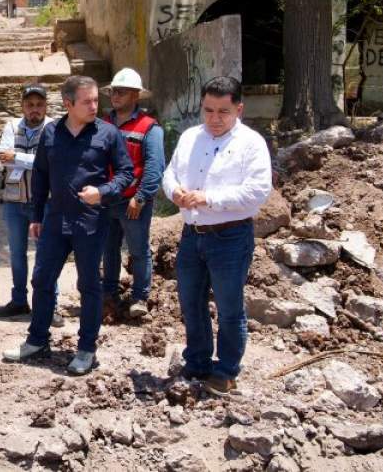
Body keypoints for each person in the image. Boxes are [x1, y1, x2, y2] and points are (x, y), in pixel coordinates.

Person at [1, 76, 134, 376]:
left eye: (96, 100)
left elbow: (127, 173)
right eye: (87, 101)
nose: (94, 106)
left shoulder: (108, 134)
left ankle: (86, 348)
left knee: (88, 285)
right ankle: (37, 341)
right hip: (55, 219)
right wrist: (36, 216)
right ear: (69, 103)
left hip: (91, 222)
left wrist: (103, 192)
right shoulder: (51, 132)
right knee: (42, 280)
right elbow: (41, 176)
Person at [162, 76, 271, 396]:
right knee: (191, 301)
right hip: (191, 234)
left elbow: (257, 192)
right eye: (208, 110)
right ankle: (196, 360)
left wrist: (209, 198)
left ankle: (225, 370)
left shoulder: (251, 144)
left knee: (228, 306)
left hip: (230, 236)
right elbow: (171, 173)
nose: (214, 118)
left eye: (223, 112)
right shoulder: (191, 137)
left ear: (239, 109)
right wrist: (176, 192)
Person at [0, 84, 62, 327]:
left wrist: (19, 158)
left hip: (44, 204)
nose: (34, 109)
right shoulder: (12, 126)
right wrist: (29, 161)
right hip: (14, 201)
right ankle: (19, 300)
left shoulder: (55, 128)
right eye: (30, 105)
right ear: (22, 106)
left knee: (48, 255)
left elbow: (51, 162)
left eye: (39, 104)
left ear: (46, 106)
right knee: (17, 254)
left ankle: (51, 306)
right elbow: (4, 158)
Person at [100, 68, 165, 319]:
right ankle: (109, 294)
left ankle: (140, 297)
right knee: (109, 249)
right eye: (114, 91)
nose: (115, 95)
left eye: (122, 92)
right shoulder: (102, 123)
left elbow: (154, 166)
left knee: (138, 250)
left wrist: (141, 196)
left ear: (136, 96)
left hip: (132, 200)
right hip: (107, 199)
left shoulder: (150, 128)